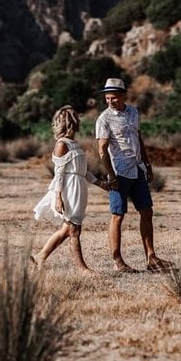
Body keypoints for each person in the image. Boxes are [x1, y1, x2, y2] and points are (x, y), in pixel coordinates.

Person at [96, 78, 173, 272]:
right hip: (119, 173)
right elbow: (102, 150)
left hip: (137, 169)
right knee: (117, 215)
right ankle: (118, 261)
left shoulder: (133, 112)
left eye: (113, 97)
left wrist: (147, 164)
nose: (110, 101)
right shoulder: (103, 119)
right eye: (107, 98)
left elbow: (138, 138)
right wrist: (110, 175)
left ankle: (151, 257)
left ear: (123, 96)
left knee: (147, 211)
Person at [32, 105, 107, 272]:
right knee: (74, 230)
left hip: (78, 188)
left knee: (67, 229)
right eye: (74, 119)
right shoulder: (62, 145)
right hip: (68, 189)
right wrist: (58, 196)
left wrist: (101, 184)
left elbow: (84, 173)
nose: (77, 121)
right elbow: (58, 174)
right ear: (69, 123)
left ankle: (40, 256)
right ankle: (82, 269)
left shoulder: (75, 145)